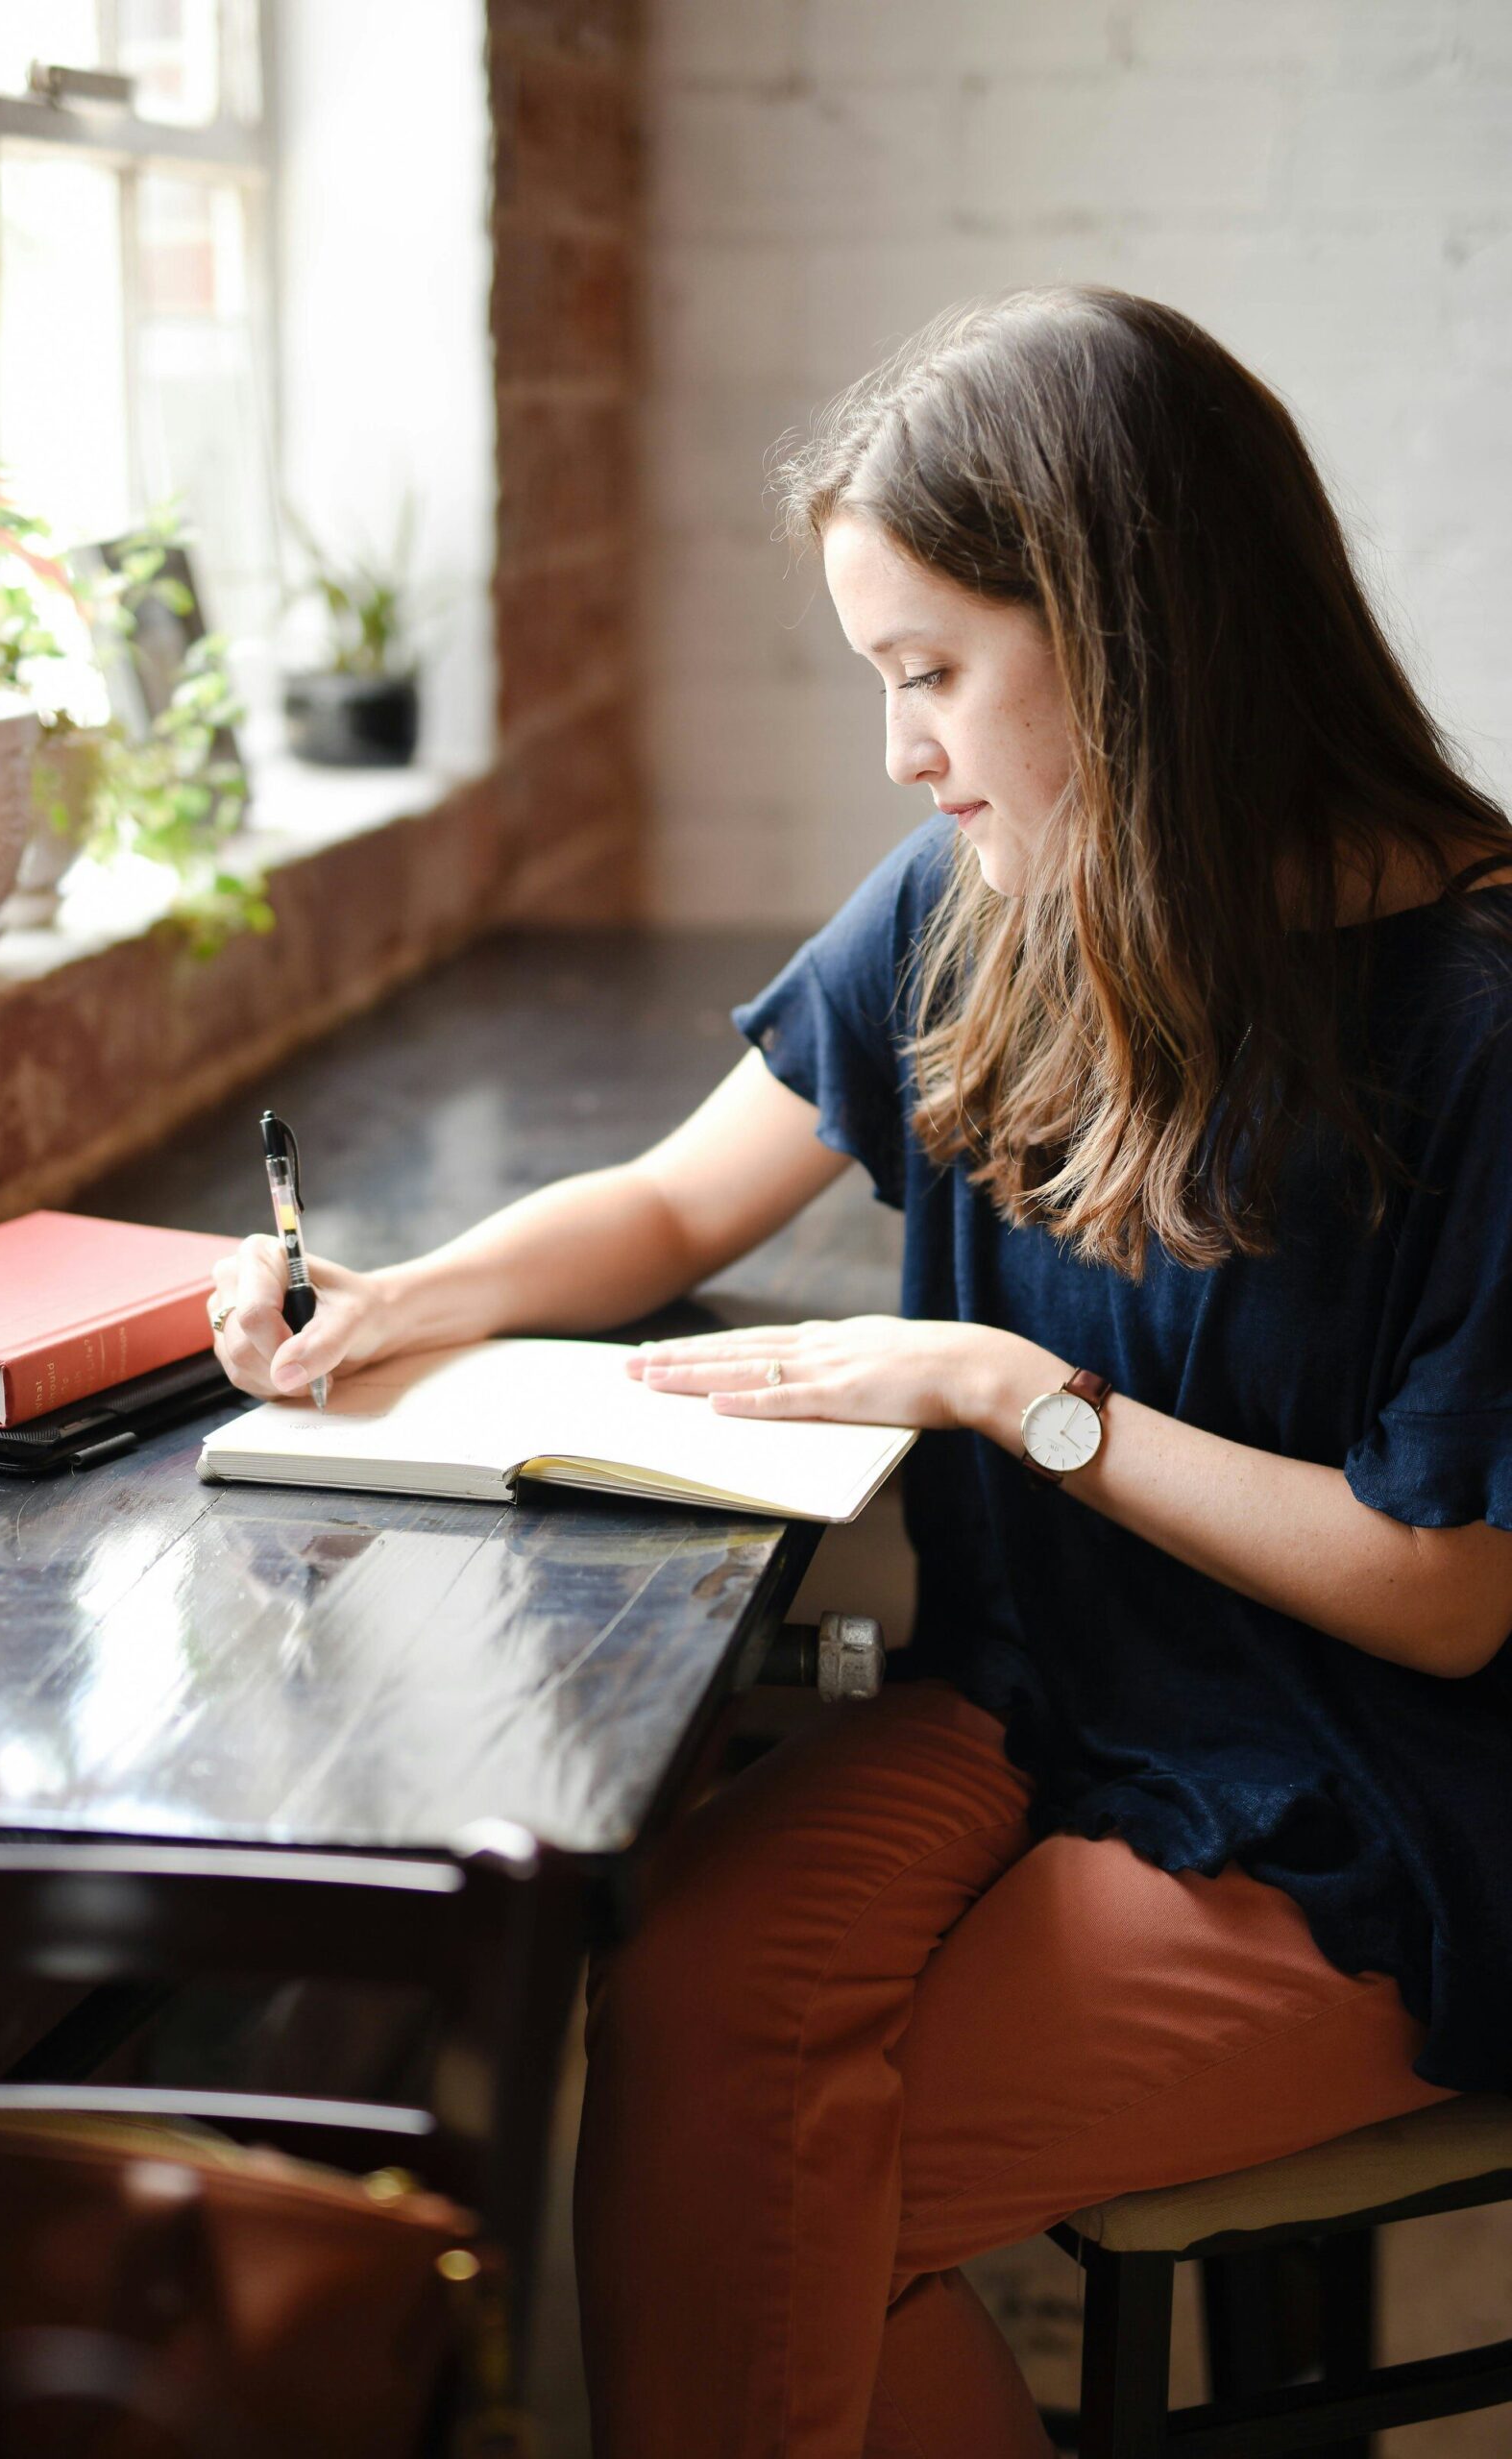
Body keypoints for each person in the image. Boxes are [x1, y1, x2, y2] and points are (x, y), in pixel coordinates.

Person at [209, 286, 1512, 2458]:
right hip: (1041, 1692)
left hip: (1378, 1804)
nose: (902, 751)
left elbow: (1445, 1588)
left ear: (1137, 637)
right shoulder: (984, 895)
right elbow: (665, 1205)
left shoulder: (1476, 1020)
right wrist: (394, 1294)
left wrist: (1008, 1388)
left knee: (775, 2189)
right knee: (696, 2007)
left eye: (930, 675)